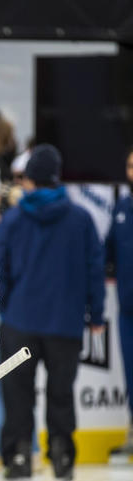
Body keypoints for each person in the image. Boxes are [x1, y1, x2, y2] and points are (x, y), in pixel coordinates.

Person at [0, 143, 105, 481]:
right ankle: (61, 454)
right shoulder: (81, 219)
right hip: (65, 323)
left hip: (20, 323)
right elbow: (94, 270)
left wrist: (8, 308)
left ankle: (18, 455)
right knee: (61, 391)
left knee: (17, 394)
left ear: (29, 178)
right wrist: (96, 315)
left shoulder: (13, 220)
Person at [107, 147, 133, 459]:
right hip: (128, 307)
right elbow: (109, 252)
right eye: (129, 165)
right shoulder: (122, 206)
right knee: (130, 371)